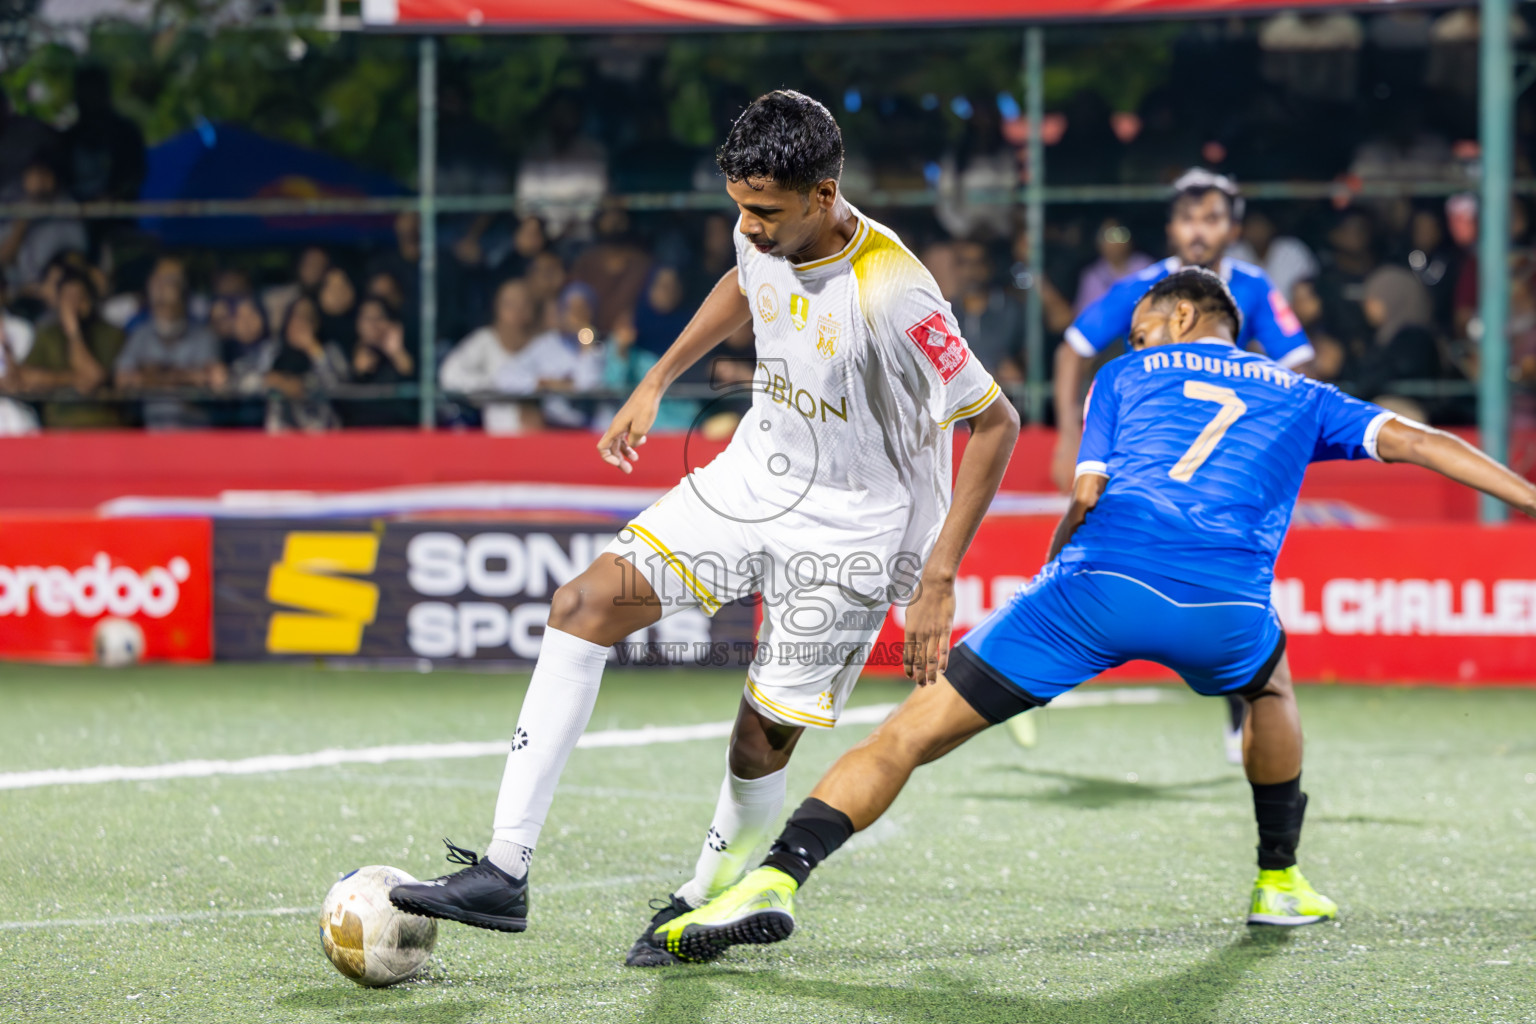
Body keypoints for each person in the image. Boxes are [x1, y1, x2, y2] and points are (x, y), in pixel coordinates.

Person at [655, 267, 1536, 962]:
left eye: (1146, 318)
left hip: (1096, 590)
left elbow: (1088, 487)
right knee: (1271, 689)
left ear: (1186, 317)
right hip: (1223, 608)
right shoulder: (1302, 394)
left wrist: (1055, 561)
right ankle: (1279, 881)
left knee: (904, 738)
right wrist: (1526, 499)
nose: (1137, 333)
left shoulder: (1126, 372)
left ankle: (778, 877)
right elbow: (1422, 444)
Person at [387, 91, 1020, 971]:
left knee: (760, 735)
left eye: (765, 212)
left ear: (825, 193)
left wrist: (939, 577)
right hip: (753, 474)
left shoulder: (898, 292)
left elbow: (996, 423)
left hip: (854, 531)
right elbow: (742, 284)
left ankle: (704, 900)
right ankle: (505, 867)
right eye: (739, 208)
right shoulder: (761, 230)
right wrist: (658, 378)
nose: (748, 227)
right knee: (580, 606)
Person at [1052, 169, 1316, 761]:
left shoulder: (1251, 286)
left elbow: (1299, 361)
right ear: (1172, 226)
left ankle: (1239, 700)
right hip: (1137, 457)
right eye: (1189, 218)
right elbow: (1073, 345)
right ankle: (1039, 648)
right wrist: (1070, 430)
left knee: (1222, 572)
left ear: (1234, 227)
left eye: (1213, 218)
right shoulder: (1143, 287)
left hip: (1219, 466)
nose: (1200, 230)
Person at [114, 257, 224, 429]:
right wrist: (185, 377)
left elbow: (212, 380)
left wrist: (151, 373)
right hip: (152, 433)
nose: (160, 288)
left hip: (194, 433)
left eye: (169, 281)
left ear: (184, 289)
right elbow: (124, 380)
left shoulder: (204, 335)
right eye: (157, 281)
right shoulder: (140, 334)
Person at [14, 268, 123, 428]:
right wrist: (73, 378)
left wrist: (73, 330)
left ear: (89, 301)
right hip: (58, 427)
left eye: (78, 297)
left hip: (102, 426)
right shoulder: (47, 335)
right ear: (58, 302)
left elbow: (92, 379)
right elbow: (24, 378)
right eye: (67, 299)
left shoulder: (111, 334)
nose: (72, 305)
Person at [264, 294, 347, 432]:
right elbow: (255, 382)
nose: (299, 324)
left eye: (305, 318)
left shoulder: (330, 351)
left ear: (315, 323)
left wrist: (313, 349)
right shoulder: (273, 352)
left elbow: (337, 387)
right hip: (281, 433)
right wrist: (281, 383)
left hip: (322, 432)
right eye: (294, 318)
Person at [1073, 218, 1153, 315]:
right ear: (1098, 242)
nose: (1115, 242)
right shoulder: (1091, 275)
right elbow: (1085, 315)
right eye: (1109, 236)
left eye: (1120, 235)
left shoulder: (1146, 267)